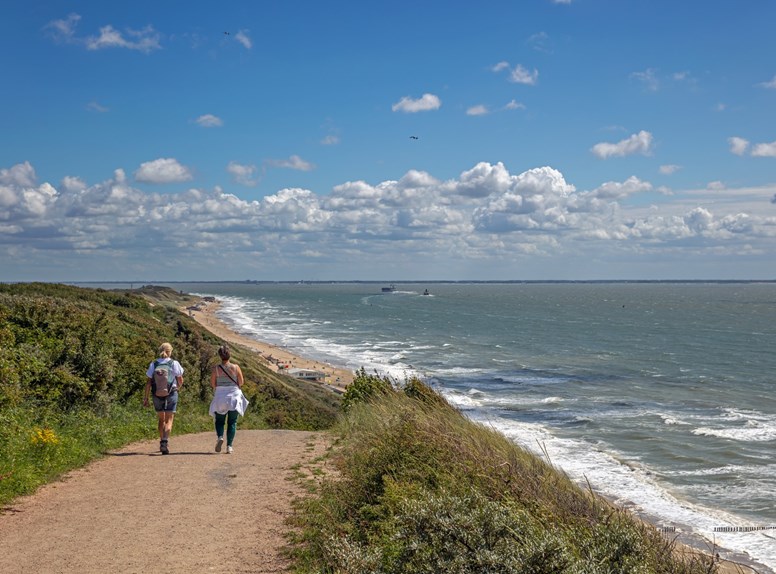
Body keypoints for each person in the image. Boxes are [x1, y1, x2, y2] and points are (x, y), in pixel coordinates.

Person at [143, 342, 184, 455]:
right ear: (170, 351)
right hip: (171, 393)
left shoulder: (154, 364)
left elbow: (148, 383)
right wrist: (177, 388)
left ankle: (162, 441)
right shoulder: (174, 363)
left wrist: (145, 398)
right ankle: (165, 441)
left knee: (161, 419)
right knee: (169, 419)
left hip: (157, 394)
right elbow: (180, 379)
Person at [209, 345, 249, 454]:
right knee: (232, 422)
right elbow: (241, 382)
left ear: (220, 356)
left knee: (220, 421)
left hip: (220, 397)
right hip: (234, 397)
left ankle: (220, 437)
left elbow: (213, 384)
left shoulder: (216, 369)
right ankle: (229, 446)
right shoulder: (236, 367)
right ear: (229, 354)